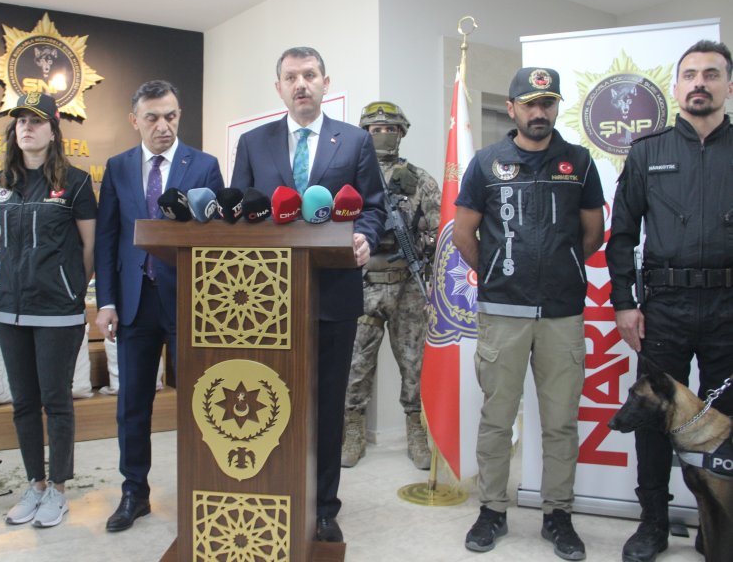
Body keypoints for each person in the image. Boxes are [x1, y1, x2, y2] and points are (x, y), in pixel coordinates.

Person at [230, 46, 386, 543]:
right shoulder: (253, 144)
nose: (301, 84)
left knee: (326, 403)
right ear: (279, 87)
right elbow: (238, 214)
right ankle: (272, 492)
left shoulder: (355, 141)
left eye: (310, 75)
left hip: (333, 294)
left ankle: (323, 506)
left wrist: (365, 236)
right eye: (291, 77)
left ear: (325, 83)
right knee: (268, 398)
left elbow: (374, 207)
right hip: (264, 299)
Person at [453, 67, 604, 560]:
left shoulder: (579, 162)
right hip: (503, 311)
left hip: (562, 312)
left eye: (548, 103)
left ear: (556, 106)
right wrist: (498, 274)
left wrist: (562, 269)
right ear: (512, 108)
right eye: (530, 103)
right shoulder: (486, 163)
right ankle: (492, 510)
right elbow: (463, 234)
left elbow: (592, 234)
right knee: (497, 419)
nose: (539, 112)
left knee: (561, 421)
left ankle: (558, 514)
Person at [606, 39, 733, 562]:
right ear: (677, 87)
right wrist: (623, 303)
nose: (700, 83)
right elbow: (621, 236)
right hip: (665, 308)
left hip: (728, 308)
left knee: (726, 422)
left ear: (728, 85)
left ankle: (717, 527)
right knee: (655, 417)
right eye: (690, 75)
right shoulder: (647, 152)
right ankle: (653, 524)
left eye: (711, 74)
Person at [95, 79, 223, 533]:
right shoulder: (118, 167)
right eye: (152, 118)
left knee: (200, 401)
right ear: (135, 121)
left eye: (170, 116)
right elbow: (108, 237)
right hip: (134, 303)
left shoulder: (204, 165)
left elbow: (218, 241)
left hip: (190, 303)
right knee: (132, 405)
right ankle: (134, 493)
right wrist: (106, 301)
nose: (163, 126)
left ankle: (203, 487)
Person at [0, 92, 97, 528]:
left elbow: (88, 247)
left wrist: (70, 288)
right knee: (23, 403)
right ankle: (34, 485)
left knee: (56, 401)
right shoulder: (0, 182)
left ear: (54, 130)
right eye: (20, 121)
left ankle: (58, 490)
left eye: (36, 121)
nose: (27, 128)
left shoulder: (77, 182)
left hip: (57, 311)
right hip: (9, 309)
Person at [341, 101, 441, 470]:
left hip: (407, 287)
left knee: (415, 364)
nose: (383, 135)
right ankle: (353, 429)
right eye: (375, 130)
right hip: (363, 284)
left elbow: (437, 230)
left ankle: (416, 429)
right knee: (356, 364)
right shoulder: (349, 180)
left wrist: (424, 247)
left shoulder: (420, 180)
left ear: (401, 133)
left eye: (390, 129)